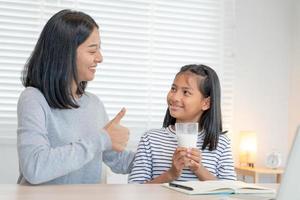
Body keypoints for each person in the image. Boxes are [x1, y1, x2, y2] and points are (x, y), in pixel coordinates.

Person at [17, 9, 135, 185]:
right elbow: (35, 167)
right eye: (92, 50)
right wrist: (102, 138)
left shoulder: (93, 104)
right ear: (65, 53)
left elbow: (116, 160)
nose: (100, 58)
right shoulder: (33, 99)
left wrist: (164, 158)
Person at [128, 64, 236, 183]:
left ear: (206, 103)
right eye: (173, 89)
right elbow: (136, 189)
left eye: (186, 92)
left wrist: (198, 168)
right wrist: (171, 174)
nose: (174, 97)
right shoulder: (150, 139)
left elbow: (231, 190)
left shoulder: (220, 143)